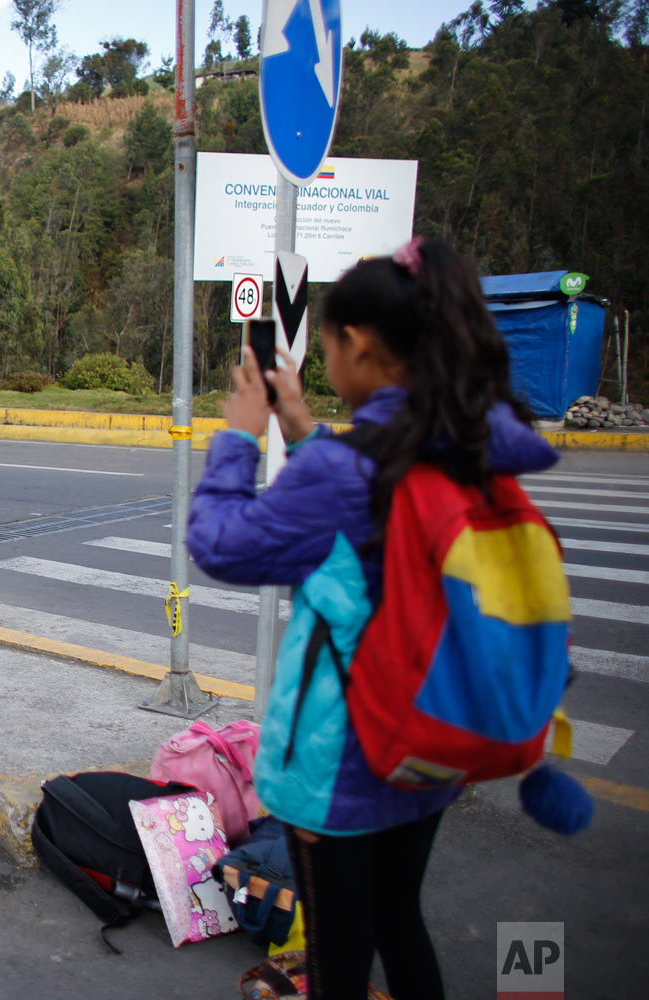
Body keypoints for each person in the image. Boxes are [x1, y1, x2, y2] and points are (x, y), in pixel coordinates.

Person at [187, 238, 557, 999]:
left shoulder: (346, 471)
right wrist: (302, 425)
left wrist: (239, 436)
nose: (325, 364)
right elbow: (370, 517)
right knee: (399, 919)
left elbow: (218, 545)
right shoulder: (461, 441)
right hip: (431, 744)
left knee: (338, 958)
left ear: (356, 342)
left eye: (327, 347)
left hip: (341, 771)